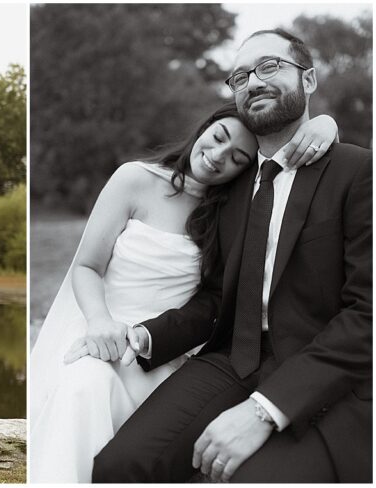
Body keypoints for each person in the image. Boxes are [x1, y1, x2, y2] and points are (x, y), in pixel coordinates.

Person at [92, 29, 372, 483]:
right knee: (121, 466)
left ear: (309, 79)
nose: (253, 82)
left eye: (269, 67)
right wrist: (146, 336)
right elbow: (218, 296)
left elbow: (368, 314)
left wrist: (263, 411)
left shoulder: (357, 172)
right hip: (230, 360)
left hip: (323, 376)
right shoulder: (231, 186)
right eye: (240, 76)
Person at [29, 103, 339, 481]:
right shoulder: (134, 179)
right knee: (85, 387)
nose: (217, 157)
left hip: (161, 352)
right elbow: (87, 267)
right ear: (204, 128)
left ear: (246, 168)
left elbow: (214, 300)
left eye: (237, 158)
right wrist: (99, 322)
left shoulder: (232, 211)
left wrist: (325, 123)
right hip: (102, 329)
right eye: (219, 137)